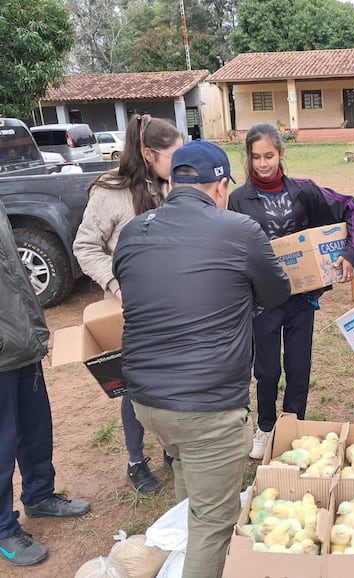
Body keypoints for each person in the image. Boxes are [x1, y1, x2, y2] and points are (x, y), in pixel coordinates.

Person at [113, 140, 290, 578]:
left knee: (191, 480)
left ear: (171, 183)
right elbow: (276, 291)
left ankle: (179, 547)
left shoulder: (135, 231)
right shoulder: (240, 229)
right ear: (220, 187)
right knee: (215, 521)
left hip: (147, 403)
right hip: (208, 407)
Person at [228, 123, 354, 460]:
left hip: (301, 298)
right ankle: (265, 426)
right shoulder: (238, 199)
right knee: (267, 369)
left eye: (270, 156)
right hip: (262, 302)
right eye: (257, 157)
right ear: (248, 157)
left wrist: (350, 252)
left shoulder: (304, 192)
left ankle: (295, 425)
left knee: (299, 365)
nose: (263, 163)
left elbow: (351, 208)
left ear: (281, 153)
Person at [73, 114, 182, 495]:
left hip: (173, 308)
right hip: (130, 310)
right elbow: (85, 246)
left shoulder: (174, 186)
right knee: (134, 387)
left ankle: (172, 447)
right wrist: (116, 284)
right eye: (173, 155)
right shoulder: (109, 192)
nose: (179, 162)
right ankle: (136, 461)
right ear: (148, 154)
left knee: (172, 381)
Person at [1, 202, 91, 568]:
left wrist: (33, 329)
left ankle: (39, 494)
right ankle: (4, 528)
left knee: (36, 428)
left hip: (20, 342)